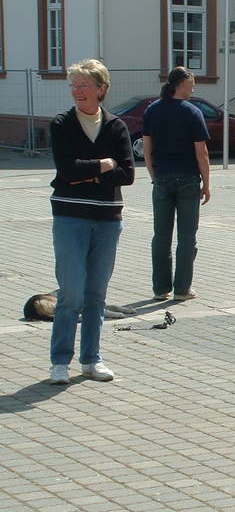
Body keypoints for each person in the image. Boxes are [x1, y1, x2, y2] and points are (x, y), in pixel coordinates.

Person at [48, 59, 135, 384]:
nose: (77, 91)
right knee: (71, 294)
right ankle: (60, 362)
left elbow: (127, 175)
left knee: (96, 294)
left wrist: (88, 172)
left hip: (108, 219)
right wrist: (104, 165)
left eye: (84, 85)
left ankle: (91, 359)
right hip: (70, 217)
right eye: (73, 85)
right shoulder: (62, 124)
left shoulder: (116, 127)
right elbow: (67, 171)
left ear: (101, 88)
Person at [142, 66, 211, 301]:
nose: (194, 88)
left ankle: (160, 289)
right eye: (192, 83)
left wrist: (154, 175)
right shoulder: (192, 112)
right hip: (188, 179)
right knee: (187, 236)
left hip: (161, 179)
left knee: (161, 236)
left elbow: (147, 149)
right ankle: (182, 289)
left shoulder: (152, 110)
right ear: (182, 84)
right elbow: (202, 153)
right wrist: (207, 184)